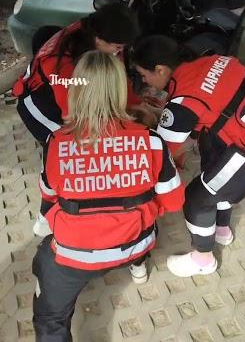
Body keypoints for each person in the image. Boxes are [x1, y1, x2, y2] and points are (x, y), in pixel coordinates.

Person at [33, 50, 184, 341]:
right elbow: (173, 201)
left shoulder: (55, 142)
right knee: (144, 215)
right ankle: (138, 267)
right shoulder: (152, 140)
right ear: (119, 89)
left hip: (74, 254)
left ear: (76, 89)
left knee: (49, 310)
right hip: (136, 242)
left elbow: (49, 196)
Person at [13, 3, 159, 236]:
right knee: (62, 151)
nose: (120, 52)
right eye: (118, 47)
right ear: (99, 40)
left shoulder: (103, 38)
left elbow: (117, 77)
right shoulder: (62, 65)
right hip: (41, 105)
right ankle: (45, 216)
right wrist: (122, 121)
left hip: (69, 96)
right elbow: (73, 115)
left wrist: (136, 103)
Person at [130, 35, 245, 277]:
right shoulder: (215, 59)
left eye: (143, 75)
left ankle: (203, 259)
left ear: (160, 70)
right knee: (209, 154)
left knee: (196, 198)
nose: (144, 81)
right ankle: (221, 229)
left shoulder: (182, 104)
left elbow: (161, 153)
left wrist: (145, 122)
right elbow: (211, 108)